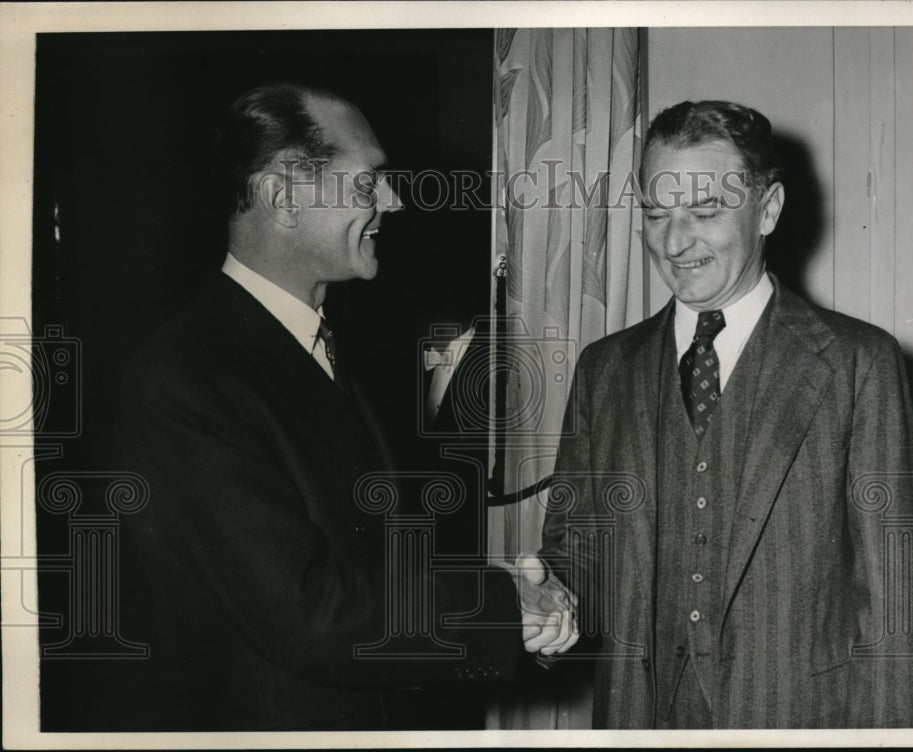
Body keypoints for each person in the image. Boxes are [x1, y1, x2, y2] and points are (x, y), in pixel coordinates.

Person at [116, 82, 577, 731]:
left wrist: (508, 592)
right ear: (283, 197)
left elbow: (374, 567)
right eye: (368, 184)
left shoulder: (334, 349)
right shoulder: (186, 379)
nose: (393, 200)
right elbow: (310, 615)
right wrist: (499, 605)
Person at [538, 100, 913, 728]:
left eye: (706, 211)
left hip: (801, 722)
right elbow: (578, 551)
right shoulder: (603, 368)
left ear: (768, 209)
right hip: (640, 720)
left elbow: (896, 608)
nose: (673, 240)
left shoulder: (860, 363)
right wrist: (550, 597)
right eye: (657, 213)